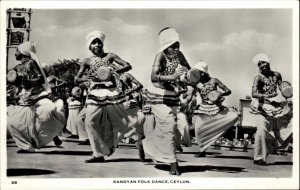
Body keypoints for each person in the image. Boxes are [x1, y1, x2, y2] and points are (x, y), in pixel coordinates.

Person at [75, 30, 132, 163]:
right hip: (95, 93)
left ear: (102, 44)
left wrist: (113, 71)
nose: (96, 45)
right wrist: (86, 79)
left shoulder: (110, 56)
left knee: (122, 122)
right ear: (89, 46)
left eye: (98, 42)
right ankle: (98, 154)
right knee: (90, 122)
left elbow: (128, 65)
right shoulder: (87, 61)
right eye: (93, 43)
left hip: (112, 92)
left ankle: (110, 145)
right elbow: (76, 79)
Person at [142, 27, 191, 175]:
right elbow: (153, 77)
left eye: (178, 45)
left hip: (172, 95)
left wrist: (188, 77)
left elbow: (189, 72)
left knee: (183, 125)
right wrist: (174, 76)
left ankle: (160, 146)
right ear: (165, 46)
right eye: (172, 46)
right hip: (158, 95)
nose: (176, 48)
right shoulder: (160, 56)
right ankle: (172, 161)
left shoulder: (180, 55)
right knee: (169, 123)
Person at [6, 41, 65, 153]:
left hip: (38, 95)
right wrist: (15, 82)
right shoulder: (17, 67)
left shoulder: (31, 63)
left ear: (23, 51)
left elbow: (41, 79)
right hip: (25, 97)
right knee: (17, 121)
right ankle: (25, 145)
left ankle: (52, 133)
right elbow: (15, 82)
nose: (15, 54)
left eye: (17, 50)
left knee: (48, 111)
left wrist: (27, 81)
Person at [250, 53, 292, 166]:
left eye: (263, 62)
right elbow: (253, 93)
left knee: (287, 127)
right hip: (261, 107)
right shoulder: (258, 78)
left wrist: (286, 90)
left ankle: (269, 149)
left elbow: (281, 88)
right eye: (259, 64)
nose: (261, 65)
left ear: (268, 62)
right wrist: (266, 96)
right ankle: (258, 157)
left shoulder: (277, 75)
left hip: (275, 107)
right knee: (261, 131)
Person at [192, 61, 238, 158]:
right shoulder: (197, 83)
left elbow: (228, 91)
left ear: (203, 73)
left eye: (198, 72)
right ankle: (202, 149)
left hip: (216, 108)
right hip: (203, 108)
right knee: (198, 129)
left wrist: (219, 94)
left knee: (234, 116)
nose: (195, 75)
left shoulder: (214, 80)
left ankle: (210, 141)